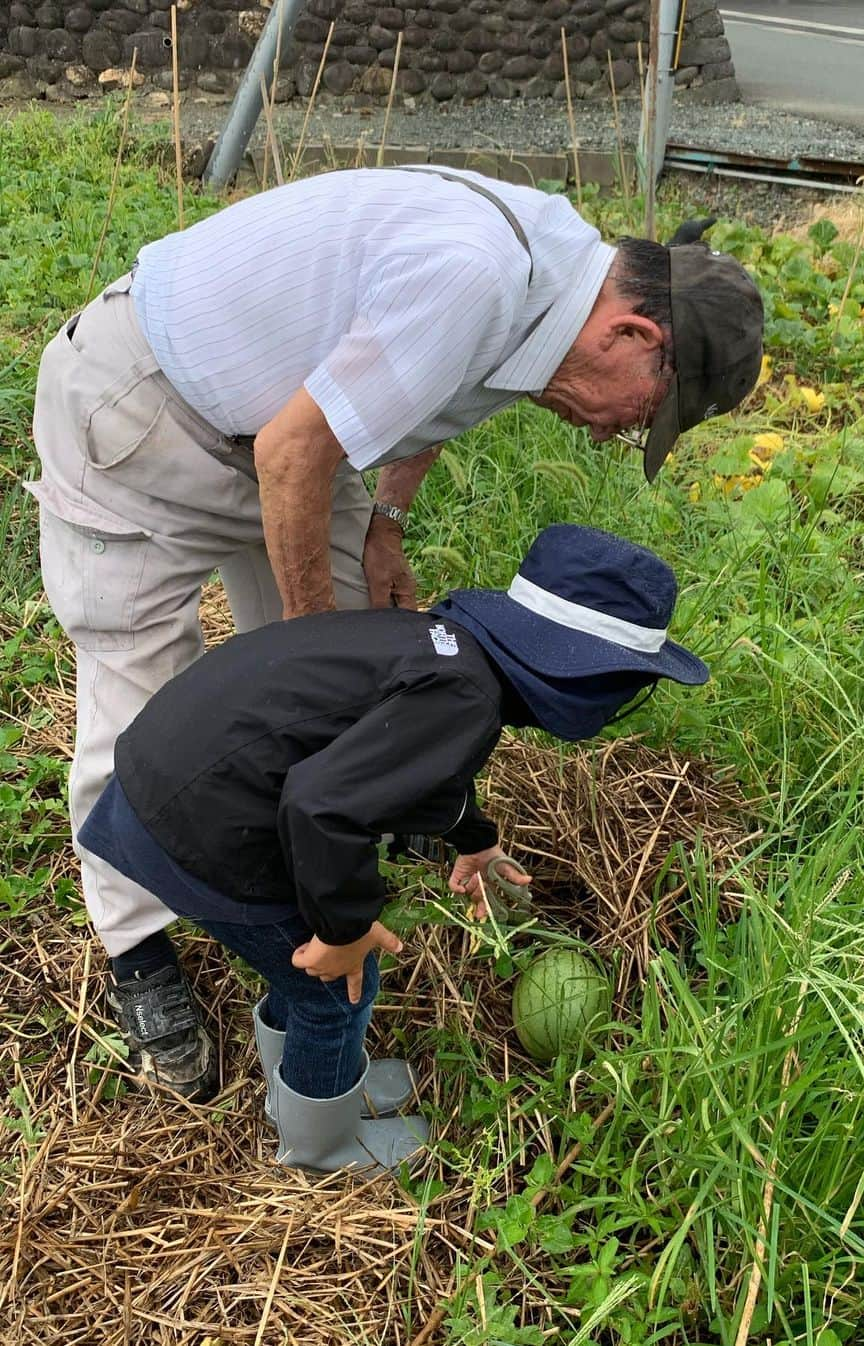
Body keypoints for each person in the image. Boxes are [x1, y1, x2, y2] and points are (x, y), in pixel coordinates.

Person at [30, 164, 762, 1098]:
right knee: (144, 693)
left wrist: (384, 524)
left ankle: (300, 863)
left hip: (294, 431)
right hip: (150, 412)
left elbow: (428, 393)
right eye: (640, 419)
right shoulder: (479, 272)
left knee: (340, 690)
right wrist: (312, 654)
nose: (609, 435)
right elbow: (291, 453)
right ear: (633, 334)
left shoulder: (553, 297)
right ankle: (139, 952)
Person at [75, 525, 708, 1173]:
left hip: (164, 786)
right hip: (196, 826)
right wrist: (343, 927)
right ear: (586, 682)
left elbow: (397, 772)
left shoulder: (442, 651)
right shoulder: (466, 700)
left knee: (306, 967)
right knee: (336, 988)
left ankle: (309, 1079)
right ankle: (319, 1147)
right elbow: (322, 806)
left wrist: (477, 844)